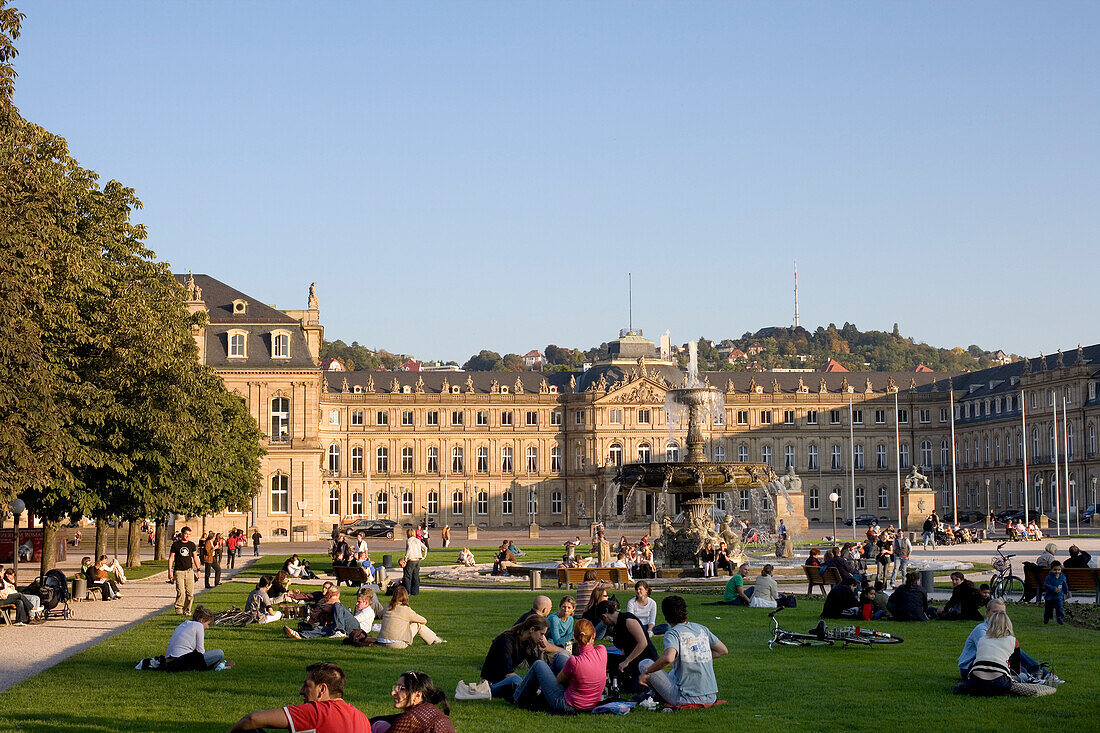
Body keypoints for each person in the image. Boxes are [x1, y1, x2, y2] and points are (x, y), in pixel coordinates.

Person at [638, 594, 728, 707]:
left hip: (685, 698)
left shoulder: (673, 633)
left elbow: (668, 658)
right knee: (673, 671)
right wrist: (697, 655)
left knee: (645, 663)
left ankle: (654, 694)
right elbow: (722, 650)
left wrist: (647, 672)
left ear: (666, 615)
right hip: (711, 697)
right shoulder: (701, 628)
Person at [229, 662, 370, 732]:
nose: (301, 691)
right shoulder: (362, 718)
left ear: (322, 689)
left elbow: (253, 719)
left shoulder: (317, 711)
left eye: (307, 686)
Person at [512, 619, 606, 714]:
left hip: (568, 705)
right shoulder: (602, 650)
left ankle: (517, 696)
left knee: (538, 665)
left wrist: (566, 672)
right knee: (561, 655)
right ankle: (541, 690)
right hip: (592, 702)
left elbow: (559, 680)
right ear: (593, 635)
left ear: (575, 637)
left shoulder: (574, 662)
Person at [481, 615, 564, 699]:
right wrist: (524, 684)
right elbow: (508, 673)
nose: (542, 638)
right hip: (494, 682)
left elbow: (536, 667)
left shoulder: (527, 642)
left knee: (539, 679)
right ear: (532, 630)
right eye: (541, 634)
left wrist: (540, 652)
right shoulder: (505, 641)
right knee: (516, 679)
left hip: (507, 680)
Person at [597, 599, 658, 692]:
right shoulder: (616, 626)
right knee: (606, 658)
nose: (604, 624)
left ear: (604, 617)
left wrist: (626, 661)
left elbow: (643, 643)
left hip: (645, 659)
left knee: (634, 688)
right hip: (631, 659)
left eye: (602, 621)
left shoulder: (628, 620)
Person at [370, 670, 454, 733]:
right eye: (396, 688)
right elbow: (393, 717)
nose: (393, 693)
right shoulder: (429, 711)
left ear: (417, 695)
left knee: (379, 726)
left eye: (402, 689)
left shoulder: (411, 718)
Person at [958, 611, 1016, 696]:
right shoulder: (1013, 640)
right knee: (1022, 676)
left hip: (976, 679)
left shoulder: (982, 639)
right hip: (998, 680)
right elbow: (1015, 670)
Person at [164, 606, 231, 672]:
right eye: (208, 624)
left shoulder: (184, 624)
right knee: (219, 653)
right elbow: (200, 651)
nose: (208, 627)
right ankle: (216, 665)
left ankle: (215, 664)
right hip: (181, 661)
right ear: (201, 620)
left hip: (168, 661)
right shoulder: (199, 625)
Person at [375, 585, 445, 648]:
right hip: (397, 644)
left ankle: (435, 639)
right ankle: (435, 639)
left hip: (381, 642)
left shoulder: (388, 605)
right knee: (417, 625)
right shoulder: (406, 609)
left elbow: (380, 615)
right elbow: (423, 620)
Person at [168, 527, 200, 615]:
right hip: (179, 572)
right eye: (186, 534)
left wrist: (198, 569)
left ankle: (187, 610)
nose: (187, 536)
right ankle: (179, 608)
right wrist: (170, 571)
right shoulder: (176, 545)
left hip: (189, 571)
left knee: (190, 594)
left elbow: (195, 557)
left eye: (189, 534)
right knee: (181, 591)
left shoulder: (191, 545)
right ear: (182, 534)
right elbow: (171, 558)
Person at [400, 528, 427, 595]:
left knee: (407, 576)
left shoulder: (409, 540)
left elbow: (409, 549)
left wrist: (405, 558)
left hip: (411, 560)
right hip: (418, 560)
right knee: (416, 576)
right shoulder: (417, 540)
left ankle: (407, 591)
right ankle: (415, 592)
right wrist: (423, 556)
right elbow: (425, 548)